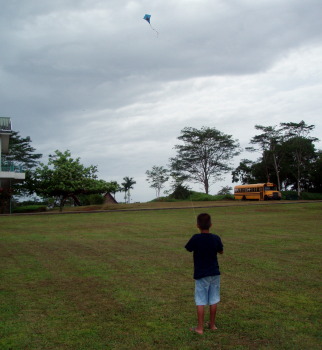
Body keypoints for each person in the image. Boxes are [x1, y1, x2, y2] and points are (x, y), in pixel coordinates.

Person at [185, 213, 224, 335]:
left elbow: (188, 248)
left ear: (197, 225)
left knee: (201, 300)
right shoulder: (216, 238)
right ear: (211, 225)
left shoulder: (196, 238)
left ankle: (200, 328)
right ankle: (212, 325)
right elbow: (221, 251)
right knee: (213, 299)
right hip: (214, 273)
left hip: (201, 274)